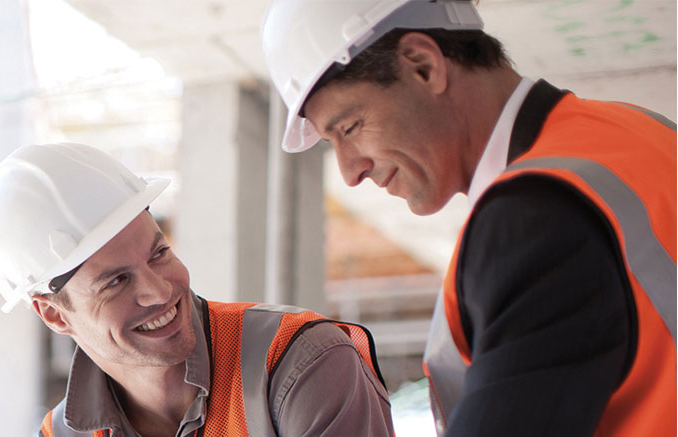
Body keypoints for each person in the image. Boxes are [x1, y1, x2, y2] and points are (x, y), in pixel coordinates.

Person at [259, 0, 676, 435]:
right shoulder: (637, 130)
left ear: (423, 66)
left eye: (349, 127)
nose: (349, 172)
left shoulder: (531, 219)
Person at [0, 142, 394, 436]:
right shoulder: (63, 433)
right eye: (117, 281)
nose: (159, 292)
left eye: (158, 254)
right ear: (55, 314)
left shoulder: (298, 362)